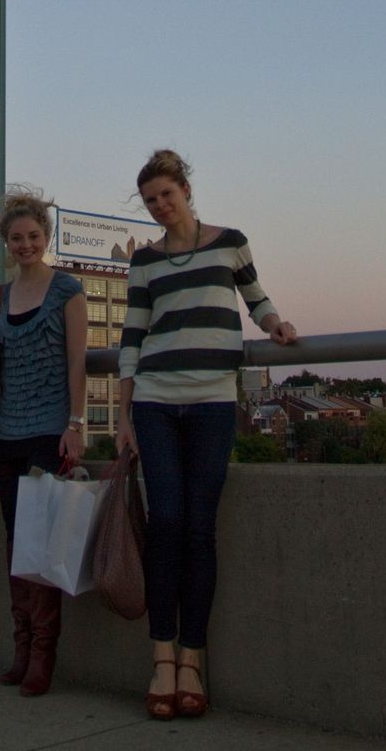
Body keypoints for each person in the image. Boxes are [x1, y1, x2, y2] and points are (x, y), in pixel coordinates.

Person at [115, 150, 297, 720]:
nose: (159, 206)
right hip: (155, 401)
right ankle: (162, 657)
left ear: (187, 191)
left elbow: (255, 298)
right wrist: (123, 415)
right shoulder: (144, 261)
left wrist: (275, 324)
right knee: (165, 521)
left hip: (214, 401)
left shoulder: (229, 242)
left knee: (199, 527)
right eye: (150, 201)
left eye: (166, 195)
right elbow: (132, 336)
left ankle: (192, 657)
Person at [0, 187, 88, 696]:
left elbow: (78, 361)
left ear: (46, 236)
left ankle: (42, 654)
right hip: (3, 434)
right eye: (16, 238)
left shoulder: (67, 290)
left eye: (34, 236)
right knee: (16, 542)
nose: (25, 244)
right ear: (6, 243)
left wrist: (76, 424)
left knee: (41, 543)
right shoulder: (0, 296)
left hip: (47, 432)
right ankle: (21, 647)